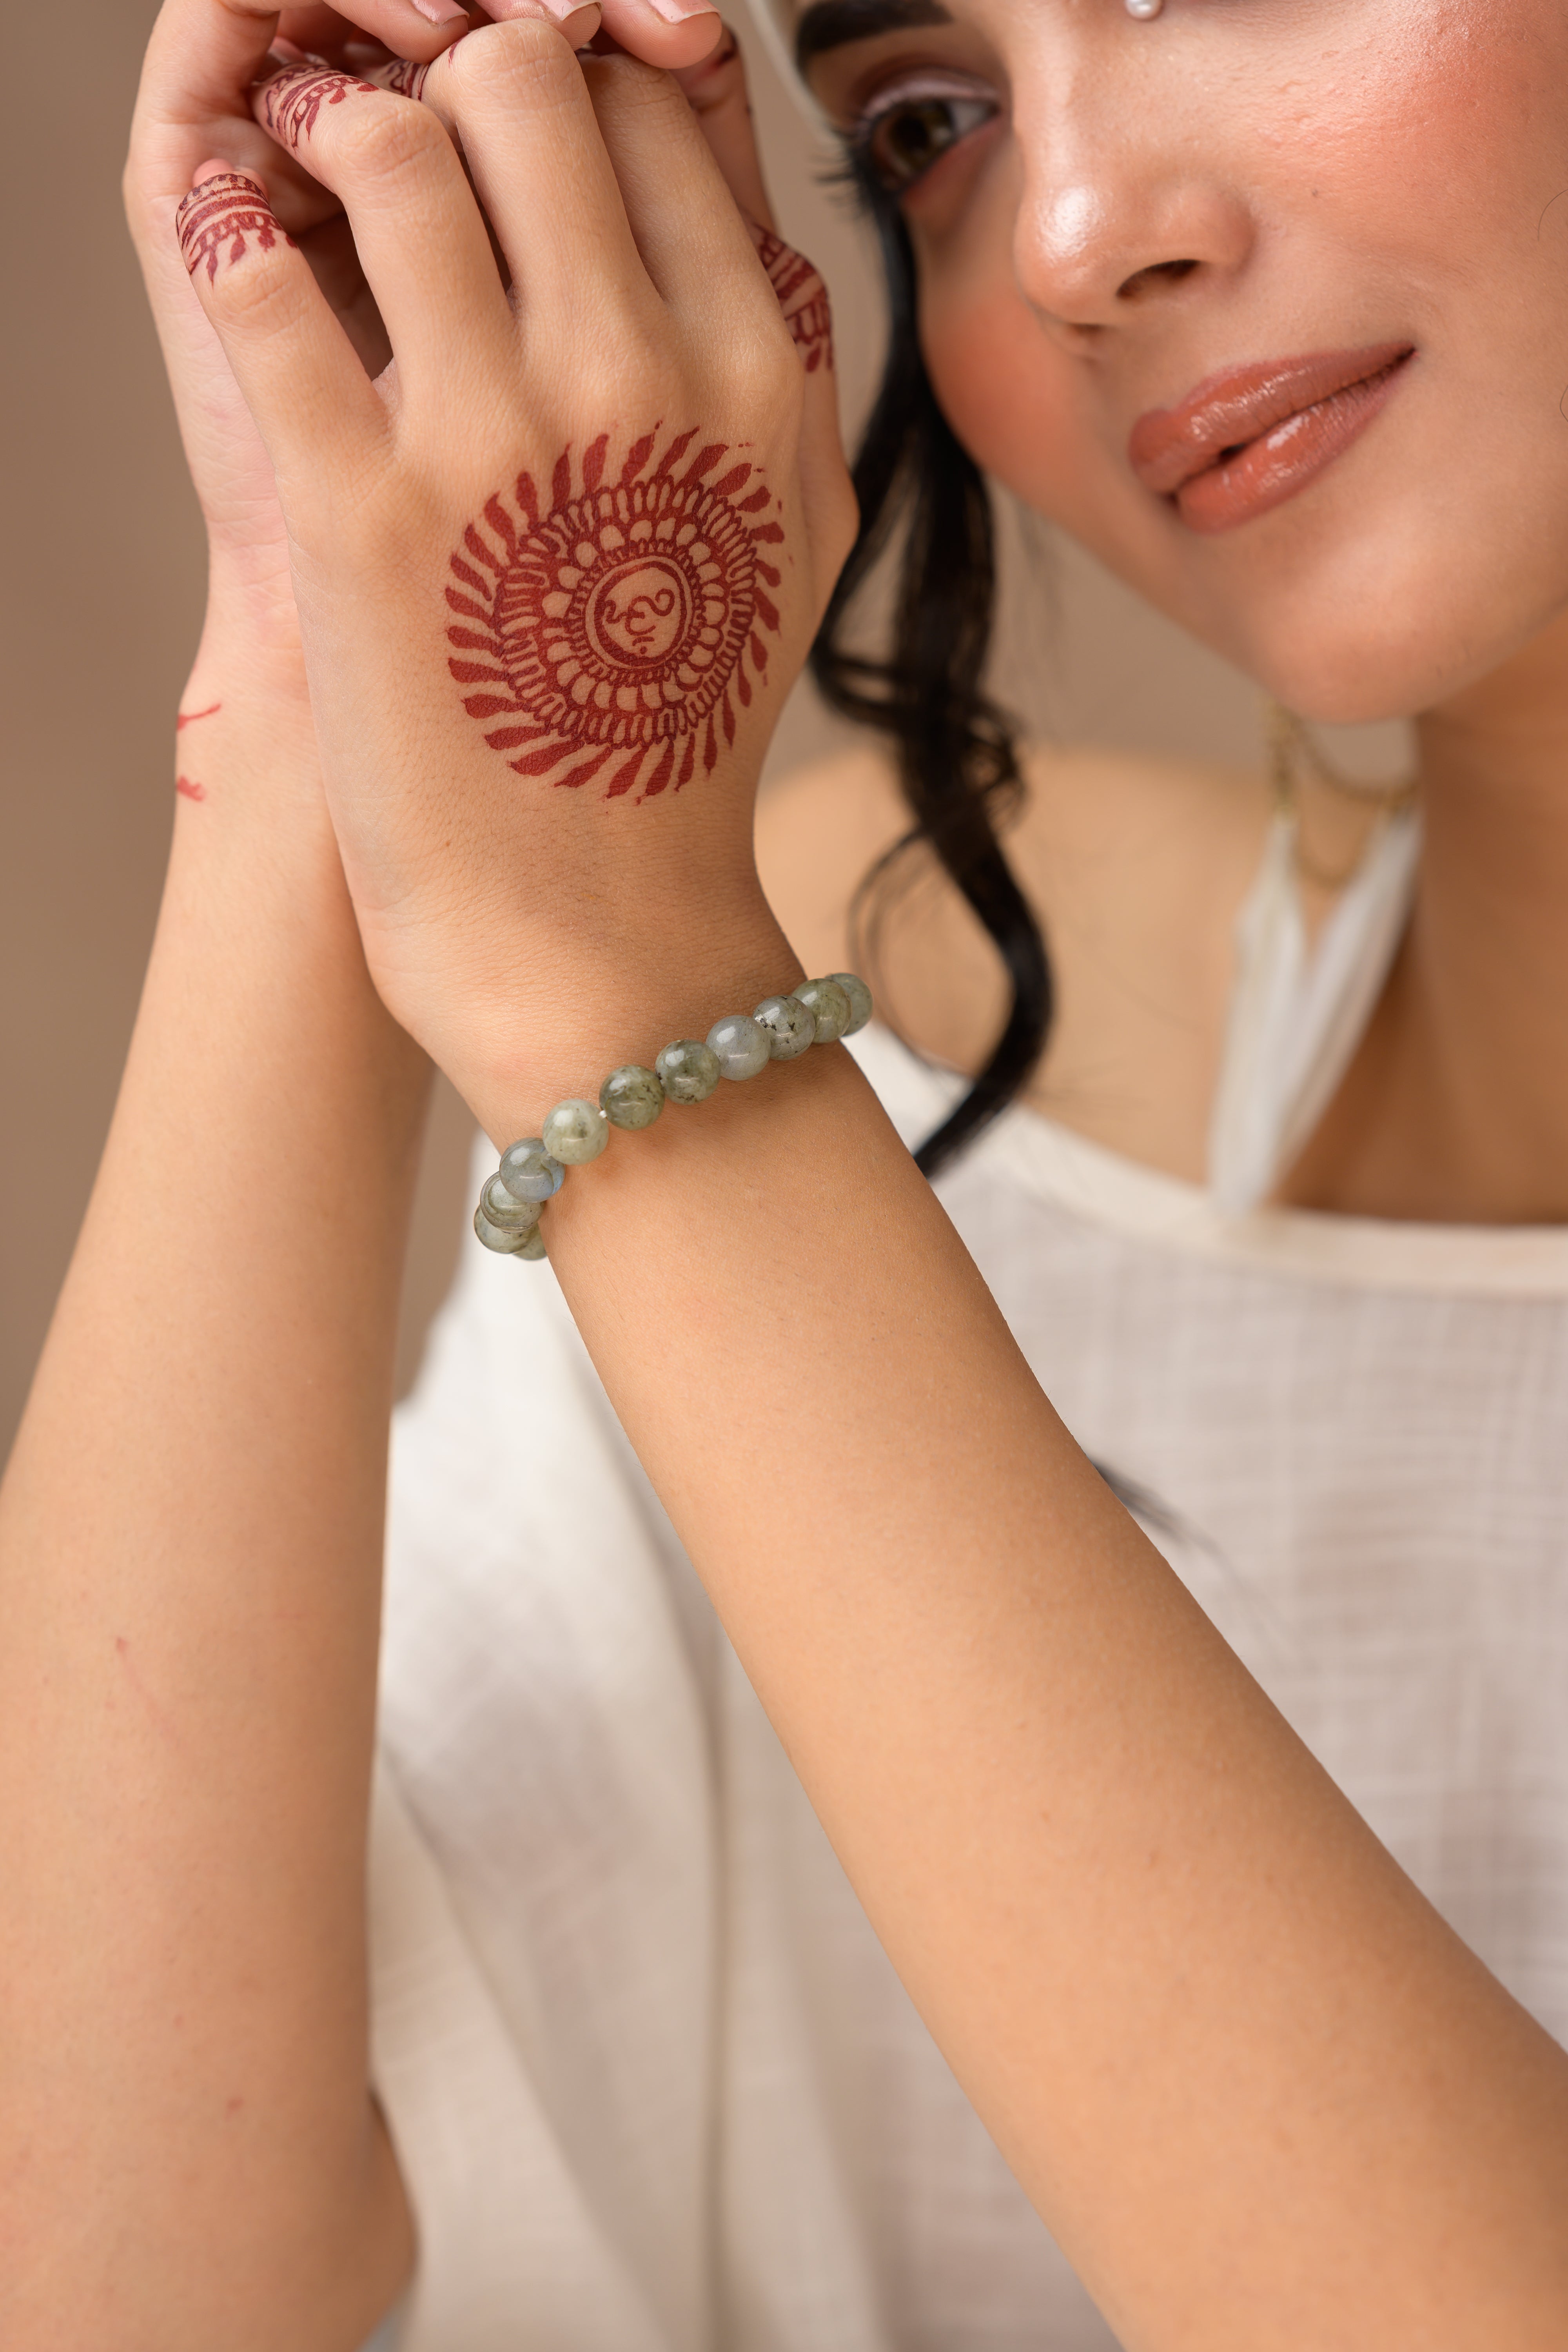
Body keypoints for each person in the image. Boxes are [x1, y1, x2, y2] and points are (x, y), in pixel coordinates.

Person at [3, 1, 1568, 2347]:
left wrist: (640, 1017)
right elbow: (116, 2276)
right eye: (931, 120)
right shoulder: (914, 1046)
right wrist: (332, 588)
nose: (1066, 239)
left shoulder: (720, 1041)